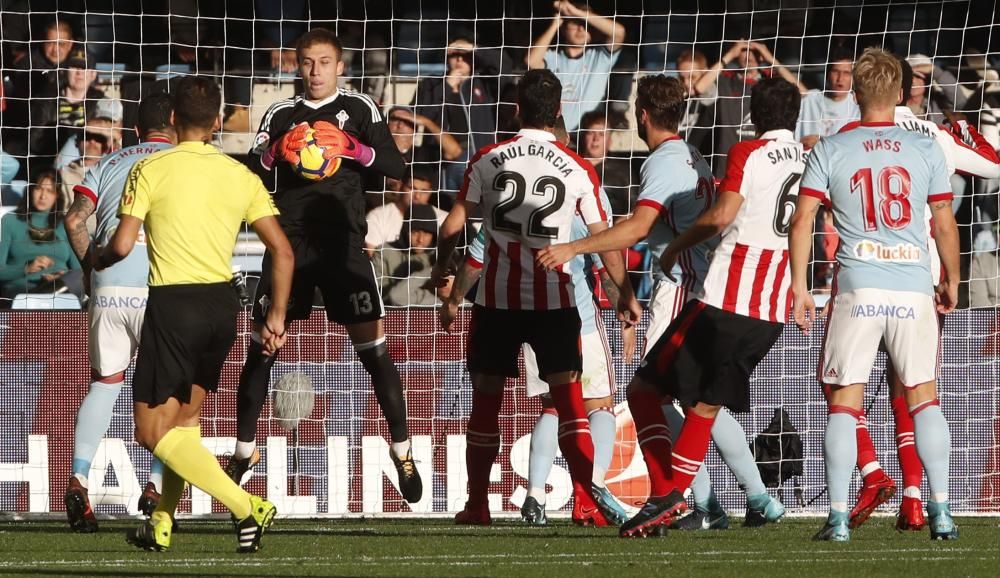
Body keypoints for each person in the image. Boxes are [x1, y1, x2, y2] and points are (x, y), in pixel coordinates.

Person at [538, 75, 794, 536]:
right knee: (701, 402)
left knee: (656, 393)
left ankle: (689, 498)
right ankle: (747, 497)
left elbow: (640, 228)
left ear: (642, 115)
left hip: (681, 287)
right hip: (708, 285)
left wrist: (580, 248)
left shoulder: (664, 163)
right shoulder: (689, 153)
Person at [432, 68, 640, 527]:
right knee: (571, 406)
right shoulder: (579, 168)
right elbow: (605, 241)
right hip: (556, 304)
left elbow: (452, 228)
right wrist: (624, 292)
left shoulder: (488, 157)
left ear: (516, 109)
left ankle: (478, 505)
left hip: (498, 304)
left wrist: (440, 270)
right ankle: (590, 496)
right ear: (560, 111)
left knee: (486, 401)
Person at [96, 76, 293, 553]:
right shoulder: (240, 175)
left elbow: (122, 245)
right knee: (184, 422)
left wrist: (95, 259)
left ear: (171, 120)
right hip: (223, 307)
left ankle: (246, 506)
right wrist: (277, 317)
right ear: (219, 122)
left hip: (174, 303)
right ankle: (161, 520)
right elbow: (283, 252)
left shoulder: (151, 170)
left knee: (150, 431)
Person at [229, 28, 424, 505]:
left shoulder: (360, 110)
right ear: (297, 66)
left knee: (373, 351)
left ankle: (403, 451)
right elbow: (253, 168)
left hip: (344, 248)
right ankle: (244, 450)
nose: (314, 70)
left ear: (340, 67)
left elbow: (397, 167)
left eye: (323, 62)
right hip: (289, 248)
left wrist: (352, 150)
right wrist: (279, 150)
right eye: (306, 62)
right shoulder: (280, 113)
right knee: (262, 347)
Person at [789, 47, 960, 542]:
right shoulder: (924, 148)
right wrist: (950, 277)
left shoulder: (832, 147)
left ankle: (839, 518)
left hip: (858, 287)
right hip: (911, 286)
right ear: (903, 93)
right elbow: (944, 224)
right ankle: (942, 511)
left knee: (844, 403)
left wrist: (801, 287)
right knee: (925, 400)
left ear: (857, 94)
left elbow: (803, 221)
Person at [845, 56, 1000, 532]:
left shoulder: (850, 134)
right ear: (912, 88)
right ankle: (921, 499)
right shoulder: (936, 136)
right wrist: (966, 128)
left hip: (865, 271)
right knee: (914, 389)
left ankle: (872, 474)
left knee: (840, 386)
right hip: (924, 275)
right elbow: (993, 165)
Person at [61, 92, 176, 533]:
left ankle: (78, 479)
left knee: (106, 384)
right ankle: (154, 487)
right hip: (160, 285)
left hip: (108, 283)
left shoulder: (108, 163)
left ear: (132, 130)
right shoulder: (181, 162)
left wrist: (91, 270)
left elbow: (74, 220)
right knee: (170, 390)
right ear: (175, 123)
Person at [691, 40, 807, 178]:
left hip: (763, 164)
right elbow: (699, 88)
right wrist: (728, 56)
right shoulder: (725, 81)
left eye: (754, 51)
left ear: (762, 55)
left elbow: (803, 93)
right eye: (743, 50)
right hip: (727, 166)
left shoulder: (771, 82)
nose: (749, 56)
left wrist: (771, 59)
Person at [411, 37, 499, 194]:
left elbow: (504, 64)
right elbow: (421, 116)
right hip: (443, 160)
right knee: (446, 206)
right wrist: (446, 87)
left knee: (478, 207)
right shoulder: (431, 84)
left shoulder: (483, 83)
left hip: (478, 157)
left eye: (465, 55)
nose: (459, 59)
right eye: (454, 54)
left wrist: (474, 47)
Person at [525, 1, 627, 133]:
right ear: (563, 27)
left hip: (588, 135)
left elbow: (619, 32)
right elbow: (531, 61)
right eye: (575, 23)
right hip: (556, 134)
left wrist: (576, 13)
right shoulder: (552, 56)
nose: (581, 29)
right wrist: (555, 23)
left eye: (585, 24)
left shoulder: (600, 57)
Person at [0, 169, 81, 300]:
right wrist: (26, 268)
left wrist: (62, 276)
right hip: (23, 290)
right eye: (38, 189)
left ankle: (53, 292)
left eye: (50, 191)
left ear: (57, 196)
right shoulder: (10, 221)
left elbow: (79, 270)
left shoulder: (64, 224)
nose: (43, 196)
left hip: (62, 287)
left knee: (80, 278)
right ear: (30, 190)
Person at [373, 203, 447, 307]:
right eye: (415, 232)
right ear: (405, 231)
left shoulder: (440, 256)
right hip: (392, 312)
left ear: (434, 235)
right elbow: (380, 294)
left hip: (431, 312)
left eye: (426, 233)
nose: (420, 240)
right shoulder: (384, 252)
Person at [365, 168, 447, 253]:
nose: (417, 196)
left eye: (424, 191)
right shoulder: (378, 217)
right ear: (400, 186)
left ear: (431, 192)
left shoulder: (444, 219)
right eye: (412, 188)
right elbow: (373, 256)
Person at [796, 50, 860, 147]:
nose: (840, 78)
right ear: (827, 75)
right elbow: (792, 83)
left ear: (853, 78)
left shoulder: (857, 108)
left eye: (846, 73)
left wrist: (822, 142)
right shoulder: (812, 99)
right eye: (835, 72)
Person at [578, 110, 636, 218]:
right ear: (583, 136)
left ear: (610, 140)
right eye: (591, 133)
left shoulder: (623, 172)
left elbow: (635, 209)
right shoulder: (571, 167)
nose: (596, 139)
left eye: (601, 134)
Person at [58, 115, 117, 208]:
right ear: (77, 141)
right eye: (87, 136)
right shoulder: (63, 174)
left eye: (99, 138)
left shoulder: (113, 172)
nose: (92, 142)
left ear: (107, 145)